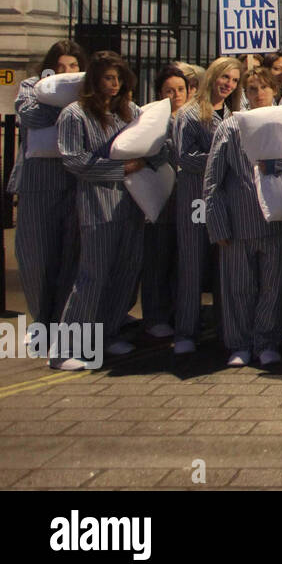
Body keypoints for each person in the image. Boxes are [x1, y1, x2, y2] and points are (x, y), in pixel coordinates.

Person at [54, 52, 167, 368]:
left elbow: (151, 146)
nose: (114, 85)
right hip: (97, 206)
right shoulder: (75, 115)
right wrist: (120, 169)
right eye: (108, 78)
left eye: (119, 79)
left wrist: (144, 164)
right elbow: (75, 160)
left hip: (131, 206)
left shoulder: (127, 112)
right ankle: (66, 348)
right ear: (94, 80)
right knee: (92, 276)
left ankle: (108, 332)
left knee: (126, 271)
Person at [202, 66, 282, 367]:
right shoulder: (230, 126)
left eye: (264, 88)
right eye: (251, 89)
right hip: (238, 223)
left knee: (273, 287)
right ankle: (239, 344)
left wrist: (280, 168)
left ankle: (267, 341)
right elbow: (212, 178)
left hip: (277, 222)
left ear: (274, 90)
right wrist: (217, 223)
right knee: (238, 288)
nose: (258, 94)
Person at [9, 41, 86, 351]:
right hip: (37, 184)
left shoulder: (86, 89)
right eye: (61, 67)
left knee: (70, 255)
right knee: (36, 256)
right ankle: (41, 321)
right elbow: (29, 116)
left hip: (73, 180)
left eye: (73, 67)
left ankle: (63, 320)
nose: (67, 73)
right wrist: (66, 103)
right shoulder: (31, 86)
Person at [171, 56, 243, 355]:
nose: (228, 84)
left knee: (224, 264)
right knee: (192, 262)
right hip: (195, 196)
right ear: (212, 77)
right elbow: (183, 157)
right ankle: (186, 331)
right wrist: (220, 158)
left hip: (225, 198)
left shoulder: (235, 113)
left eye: (235, 80)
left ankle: (228, 330)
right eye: (225, 77)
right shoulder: (189, 114)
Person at [135, 65, 190, 339]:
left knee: (181, 259)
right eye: (170, 90)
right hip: (159, 197)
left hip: (187, 196)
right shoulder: (151, 118)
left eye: (181, 89)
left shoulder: (192, 117)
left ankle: (177, 312)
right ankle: (155, 316)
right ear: (160, 93)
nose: (176, 95)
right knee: (157, 256)